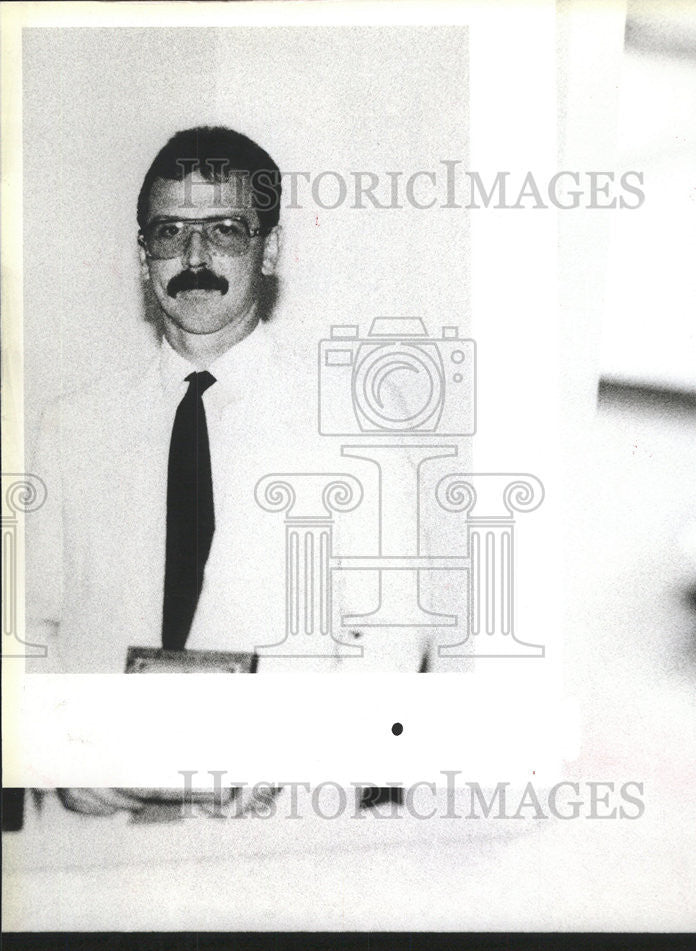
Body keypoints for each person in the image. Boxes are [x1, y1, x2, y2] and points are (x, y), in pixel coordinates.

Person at [26, 126, 440, 816]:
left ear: (269, 248)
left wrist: (310, 773)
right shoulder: (71, 426)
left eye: (223, 230)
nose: (193, 257)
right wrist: (63, 758)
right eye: (169, 233)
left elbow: (393, 634)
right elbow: (27, 631)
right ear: (141, 256)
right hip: (101, 829)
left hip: (283, 829)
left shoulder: (353, 416)